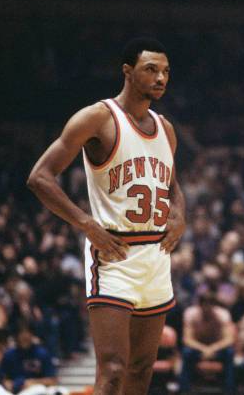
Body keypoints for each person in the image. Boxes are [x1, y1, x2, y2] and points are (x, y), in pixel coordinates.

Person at [27, 37, 186, 395]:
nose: (161, 78)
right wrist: (85, 223)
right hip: (114, 255)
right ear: (128, 72)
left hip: (157, 258)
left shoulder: (166, 128)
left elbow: (172, 185)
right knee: (113, 371)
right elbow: (39, 177)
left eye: (165, 72)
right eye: (151, 69)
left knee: (142, 370)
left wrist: (179, 214)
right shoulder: (98, 117)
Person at [180, 291, 235, 394]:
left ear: (214, 305)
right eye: (204, 304)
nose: (207, 307)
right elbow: (187, 339)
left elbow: (229, 339)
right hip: (198, 349)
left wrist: (213, 348)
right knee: (186, 352)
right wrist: (203, 349)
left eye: (210, 304)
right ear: (200, 305)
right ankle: (184, 390)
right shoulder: (191, 313)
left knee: (230, 352)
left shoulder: (223, 314)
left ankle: (229, 390)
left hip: (217, 349)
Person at [0, 325, 57, 393]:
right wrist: (6, 383)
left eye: (27, 332)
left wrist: (33, 382)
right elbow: (0, 378)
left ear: (32, 334)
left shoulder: (42, 353)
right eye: (21, 333)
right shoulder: (9, 355)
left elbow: (53, 380)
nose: (24, 336)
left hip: (37, 390)